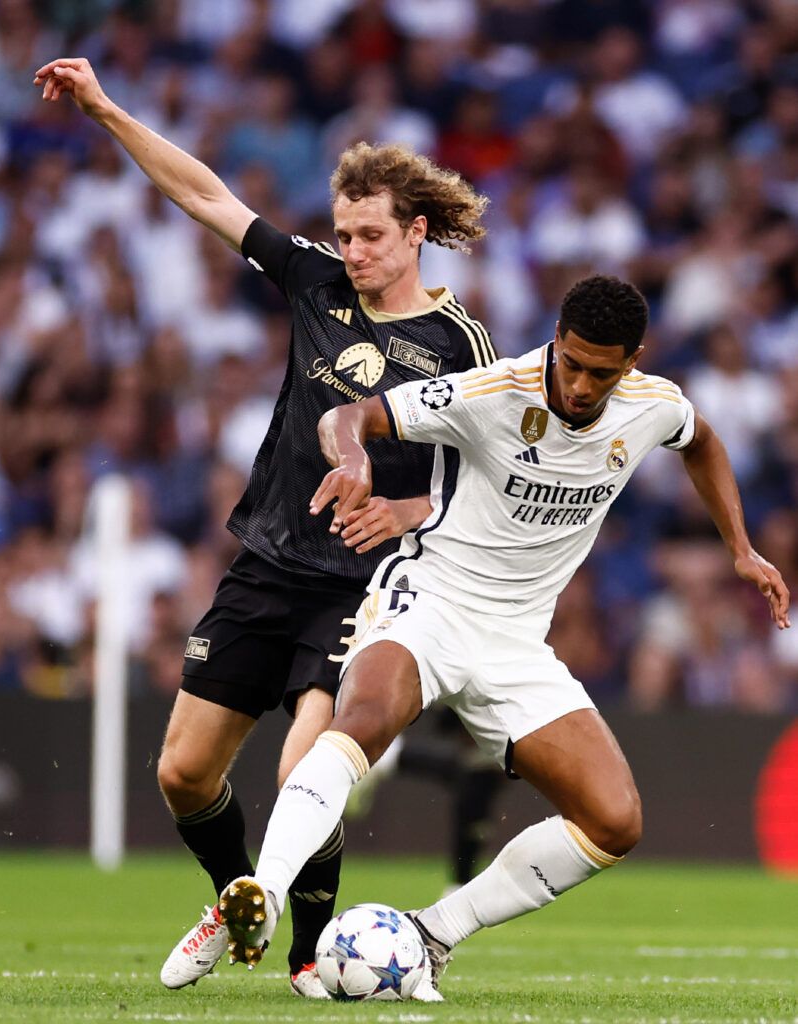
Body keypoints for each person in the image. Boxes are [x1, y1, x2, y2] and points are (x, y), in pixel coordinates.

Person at [33, 57, 497, 998]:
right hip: (267, 566)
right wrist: (106, 107)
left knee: (303, 768)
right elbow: (203, 193)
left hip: (362, 588)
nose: (354, 251)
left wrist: (409, 508)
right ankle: (237, 899)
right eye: (343, 234)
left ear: (416, 234)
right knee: (182, 774)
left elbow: (491, 484)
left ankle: (306, 955)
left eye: (371, 236)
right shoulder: (314, 282)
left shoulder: (463, 348)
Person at [212, 274, 791, 998]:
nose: (580, 385)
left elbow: (700, 442)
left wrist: (738, 546)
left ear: (631, 362)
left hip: (516, 639)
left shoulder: (652, 405)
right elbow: (350, 415)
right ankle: (260, 895)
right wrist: (355, 459)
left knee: (613, 821)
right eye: (571, 362)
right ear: (555, 339)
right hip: (431, 600)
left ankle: (433, 931)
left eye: (601, 372)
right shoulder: (490, 392)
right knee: (361, 721)